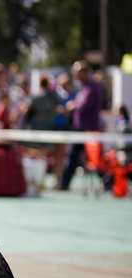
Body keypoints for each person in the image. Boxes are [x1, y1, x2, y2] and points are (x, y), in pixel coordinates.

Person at [60, 61, 104, 191]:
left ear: (84, 72)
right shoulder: (83, 88)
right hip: (80, 129)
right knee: (73, 158)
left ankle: (109, 183)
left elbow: (83, 106)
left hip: (89, 130)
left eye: (77, 72)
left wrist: (71, 106)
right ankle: (64, 184)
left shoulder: (92, 87)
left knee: (96, 159)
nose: (75, 75)